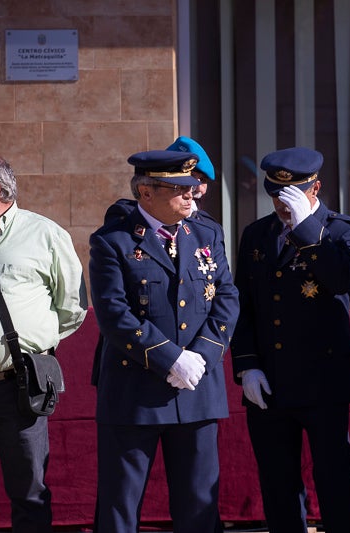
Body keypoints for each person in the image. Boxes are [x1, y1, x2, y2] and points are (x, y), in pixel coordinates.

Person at [88, 150, 239, 532]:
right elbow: (114, 313)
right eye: (179, 189)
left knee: (200, 508)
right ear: (146, 193)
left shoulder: (207, 232)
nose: (192, 196)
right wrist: (170, 358)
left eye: (192, 187)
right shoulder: (113, 242)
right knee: (120, 508)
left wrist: (201, 356)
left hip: (196, 389)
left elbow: (226, 297)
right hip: (134, 392)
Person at [230, 147, 350, 533]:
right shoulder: (257, 233)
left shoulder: (342, 230)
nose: (282, 204)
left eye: (292, 195)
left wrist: (307, 228)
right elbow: (244, 303)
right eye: (276, 195)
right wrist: (247, 364)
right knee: (278, 485)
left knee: (334, 480)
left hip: (323, 381)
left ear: (316, 188)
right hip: (270, 380)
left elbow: (341, 279)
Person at [0, 154, 87, 532]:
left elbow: (72, 307)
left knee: (29, 491)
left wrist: (36, 342)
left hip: (20, 386)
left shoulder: (46, 235)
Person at [103, 135, 219, 226]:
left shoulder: (209, 227)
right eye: (190, 177)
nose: (196, 187)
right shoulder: (125, 215)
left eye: (203, 180)